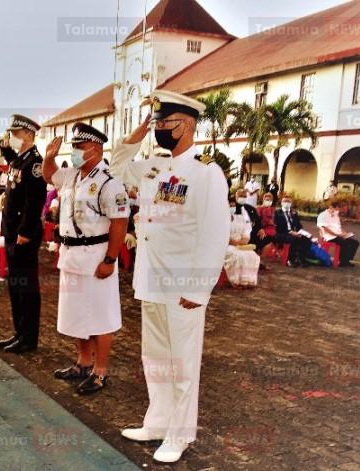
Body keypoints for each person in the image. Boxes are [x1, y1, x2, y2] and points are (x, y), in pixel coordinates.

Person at [110, 91, 229, 463]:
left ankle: (179, 435)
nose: (159, 129)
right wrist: (135, 135)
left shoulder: (206, 170)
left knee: (183, 364)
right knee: (156, 358)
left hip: (183, 287)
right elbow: (115, 167)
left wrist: (199, 287)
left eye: (166, 123)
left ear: (188, 125)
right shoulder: (154, 167)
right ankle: (158, 422)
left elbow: (214, 231)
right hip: (151, 280)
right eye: (157, 123)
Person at [43, 123, 128, 395]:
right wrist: (48, 157)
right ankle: (82, 362)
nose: (75, 151)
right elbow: (49, 176)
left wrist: (110, 259)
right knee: (78, 314)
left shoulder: (108, 183)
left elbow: (119, 222)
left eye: (80, 147)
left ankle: (100, 372)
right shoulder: (72, 176)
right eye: (74, 147)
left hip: (96, 257)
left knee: (101, 317)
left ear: (96, 149)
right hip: (71, 255)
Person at [0, 114, 46, 354]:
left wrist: (25, 232)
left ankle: (28, 338)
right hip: (12, 232)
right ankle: (19, 332)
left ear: (28, 134)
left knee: (26, 287)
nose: (12, 137)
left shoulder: (35, 164)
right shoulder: (20, 160)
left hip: (23, 235)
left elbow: (34, 202)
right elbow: (14, 165)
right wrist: (5, 149)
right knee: (15, 287)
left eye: (15, 134)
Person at [224, 197, 260, 287]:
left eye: (233, 205)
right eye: (230, 205)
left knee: (252, 255)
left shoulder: (239, 218)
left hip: (240, 244)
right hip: (227, 245)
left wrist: (244, 240)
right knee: (238, 256)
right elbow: (219, 235)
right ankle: (236, 281)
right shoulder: (220, 219)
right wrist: (233, 242)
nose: (232, 207)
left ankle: (248, 281)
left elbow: (246, 231)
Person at [317, 200, 360, 267]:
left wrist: (345, 233)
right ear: (331, 207)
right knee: (343, 242)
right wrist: (337, 235)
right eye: (335, 209)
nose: (337, 211)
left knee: (355, 242)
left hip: (338, 235)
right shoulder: (322, 215)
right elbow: (324, 228)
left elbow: (338, 227)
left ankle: (346, 260)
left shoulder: (335, 215)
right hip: (329, 236)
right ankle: (342, 261)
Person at [274, 195, 312, 267]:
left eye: (288, 201)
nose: (287, 203)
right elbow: (278, 227)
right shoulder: (277, 213)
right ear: (281, 203)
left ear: (291, 203)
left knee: (307, 240)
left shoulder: (294, 213)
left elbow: (299, 226)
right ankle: (290, 259)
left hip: (294, 233)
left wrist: (301, 232)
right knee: (293, 239)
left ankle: (301, 259)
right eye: (285, 201)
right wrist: (290, 232)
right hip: (282, 233)